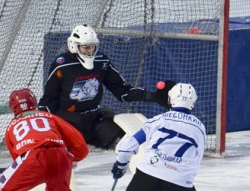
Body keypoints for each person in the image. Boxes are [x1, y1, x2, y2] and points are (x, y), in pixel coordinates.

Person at [85, 83, 206, 191]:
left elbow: (128, 145)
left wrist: (120, 164)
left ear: (171, 100)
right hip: (178, 181)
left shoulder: (159, 120)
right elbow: (196, 158)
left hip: (149, 173)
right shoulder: (200, 128)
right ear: (193, 102)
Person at [38, 24, 173, 150]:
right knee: (63, 157)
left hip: (93, 118)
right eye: (86, 47)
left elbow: (122, 91)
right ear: (74, 46)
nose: (90, 51)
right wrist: (44, 128)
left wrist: (152, 96)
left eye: (93, 47)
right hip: (68, 121)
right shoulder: (62, 65)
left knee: (126, 143)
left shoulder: (101, 61)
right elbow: (48, 100)